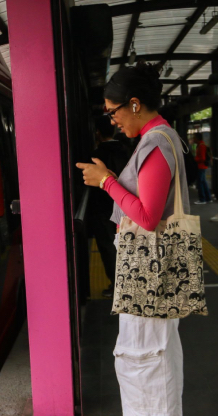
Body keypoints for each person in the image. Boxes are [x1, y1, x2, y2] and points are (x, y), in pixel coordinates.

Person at [76, 61, 189, 416]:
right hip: (152, 268)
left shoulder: (156, 143)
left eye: (113, 111)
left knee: (145, 358)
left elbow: (147, 217)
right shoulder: (158, 140)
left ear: (135, 104)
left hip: (150, 269)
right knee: (157, 357)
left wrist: (106, 181)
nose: (113, 119)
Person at [88, 115, 130, 297]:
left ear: (97, 133)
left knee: (108, 246)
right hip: (127, 206)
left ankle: (116, 285)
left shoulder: (96, 156)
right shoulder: (127, 151)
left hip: (103, 208)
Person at [192, 132, 211, 204]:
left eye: (194, 138)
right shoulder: (201, 145)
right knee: (203, 182)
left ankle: (202, 199)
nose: (193, 139)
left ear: (197, 138)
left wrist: (195, 159)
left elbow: (202, 158)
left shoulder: (201, 146)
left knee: (200, 182)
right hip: (202, 166)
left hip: (201, 166)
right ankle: (208, 197)